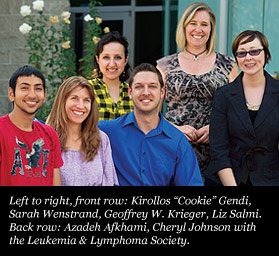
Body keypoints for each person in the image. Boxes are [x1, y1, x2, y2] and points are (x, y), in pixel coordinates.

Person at [156, 2, 239, 177]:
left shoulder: (229, 65)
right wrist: (173, 129)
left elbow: (238, 113)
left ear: (211, 29)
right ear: (184, 27)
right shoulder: (164, 65)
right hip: (173, 151)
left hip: (217, 156)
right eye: (193, 23)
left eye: (204, 24)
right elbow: (149, 114)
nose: (198, 29)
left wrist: (217, 129)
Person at [98, 63, 203, 186]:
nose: (146, 92)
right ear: (130, 92)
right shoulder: (108, 131)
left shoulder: (177, 140)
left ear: (162, 92)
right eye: (139, 87)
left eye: (152, 86)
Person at [205, 30, 279, 186]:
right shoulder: (223, 95)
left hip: (271, 177)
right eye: (242, 53)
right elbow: (219, 150)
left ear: (266, 55)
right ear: (236, 59)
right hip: (229, 177)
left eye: (254, 51)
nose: (248, 57)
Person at [47, 76, 118, 186]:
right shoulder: (46, 140)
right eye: (74, 98)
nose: (81, 106)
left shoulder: (101, 139)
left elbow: (110, 182)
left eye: (86, 100)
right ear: (63, 101)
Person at [0, 65, 62, 186]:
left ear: (44, 95)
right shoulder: (1, 131)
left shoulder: (50, 134)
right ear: (11, 94)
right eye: (24, 88)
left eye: (38, 89)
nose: (32, 95)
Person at [88, 31, 134, 120]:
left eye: (118, 57)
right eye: (106, 57)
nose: (112, 64)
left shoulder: (133, 92)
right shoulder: (87, 89)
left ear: (125, 60)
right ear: (98, 60)